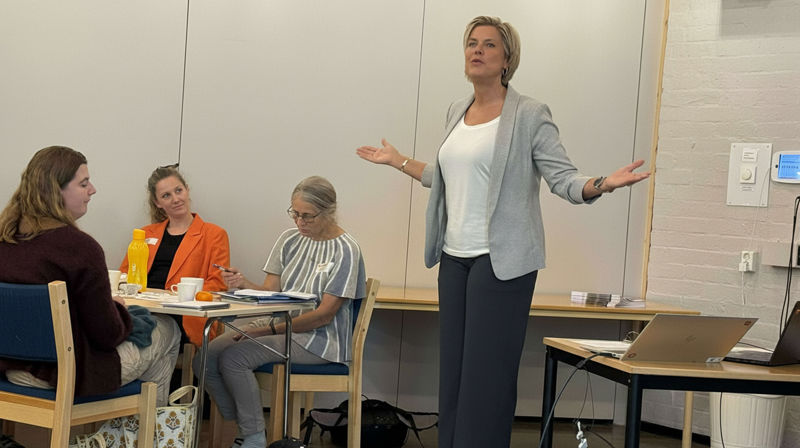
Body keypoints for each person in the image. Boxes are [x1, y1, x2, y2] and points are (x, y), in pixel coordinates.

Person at [356, 16, 650, 448]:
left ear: (507, 59)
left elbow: (563, 179)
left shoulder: (529, 114)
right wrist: (398, 161)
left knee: (487, 375)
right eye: (471, 43)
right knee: (454, 373)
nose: (477, 51)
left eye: (489, 45)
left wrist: (602, 183)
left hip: (503, 262)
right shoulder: (457, 111)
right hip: (454, 260)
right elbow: (445, 176)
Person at [0, 146, 180, 405]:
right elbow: (107, 335)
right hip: (68, 374)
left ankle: (127, 432)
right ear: (56, 191)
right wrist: (117, 311)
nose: (92, 190)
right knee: (168, 329)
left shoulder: (5, 241)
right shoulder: (80, 248)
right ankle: (144, 435)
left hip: (12, 370)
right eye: (84, 183)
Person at [196, 176, 366, 448]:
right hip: (281, 326)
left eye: (307, 216)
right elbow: (269, 294)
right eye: (295, 214)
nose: (300, 222)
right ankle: (244, 424)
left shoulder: (346, 250)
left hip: (320, 339)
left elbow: (324, 316)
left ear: (329, 212)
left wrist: (262, 331)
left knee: (234, 359)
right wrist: (243, 284)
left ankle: (252, 438)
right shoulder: (289, 239)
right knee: (206, 355)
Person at [120, 164, 231, 346]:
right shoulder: (145, 234)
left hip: (183, 316)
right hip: (141, 310)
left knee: (138, 339)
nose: (175, 199)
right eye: (166, 195)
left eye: (178, 191)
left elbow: (217, 285)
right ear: (157, 203)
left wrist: (177, 296)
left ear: (187, 190)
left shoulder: (214, 235)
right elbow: (125, 276)